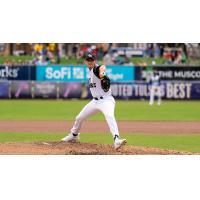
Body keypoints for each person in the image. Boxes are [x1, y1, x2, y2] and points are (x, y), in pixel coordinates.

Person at [61, 53, 127, 149]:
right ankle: (74, 135)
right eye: (88, 60)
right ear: (85, 62)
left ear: (94, 61)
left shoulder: (97, 69)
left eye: (91, 60)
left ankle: (116, 140)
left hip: (106, 101)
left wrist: (103, 76)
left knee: (109, 116)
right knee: (79, 118)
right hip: (95, 102)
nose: (90, 62)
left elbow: (102, 68)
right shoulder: (90, 73)